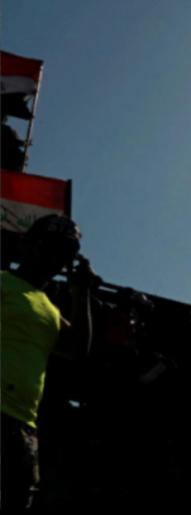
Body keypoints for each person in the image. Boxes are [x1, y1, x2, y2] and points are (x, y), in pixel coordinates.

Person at [1, 215, 95, 511]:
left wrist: (81, 293)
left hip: (23, 424)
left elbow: (78, 348)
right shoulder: (3, 282)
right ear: (27, 245)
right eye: (50, 246)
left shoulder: (50, 311)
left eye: (65, 253)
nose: (56, 258)